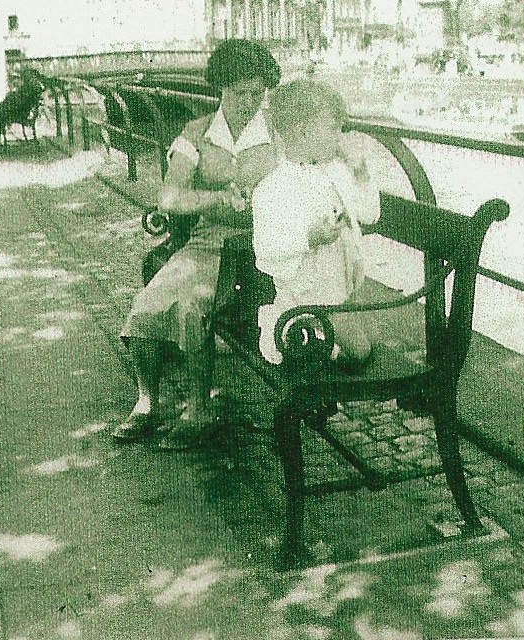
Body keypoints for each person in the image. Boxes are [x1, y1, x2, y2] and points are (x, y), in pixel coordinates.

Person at [114, 39, 282, 445]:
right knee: (146, 307)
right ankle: (147, 403)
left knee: (193, 306)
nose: (249, 103)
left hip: (265, 246)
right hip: (208, 243)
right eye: (240, 93)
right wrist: (216, 199)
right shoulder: (197, 133)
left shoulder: (279, 134)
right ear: (221, 88)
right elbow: (170, 197)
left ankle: (199, 411)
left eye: (257, 93)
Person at [251, 79, 381, 369]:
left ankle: (328, 345)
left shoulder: (337, 172)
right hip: (305, 297)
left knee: (368, 342)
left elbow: (370, 214)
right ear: (304, 132)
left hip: (344, 287)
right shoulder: (272, 188)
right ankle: (315, 339)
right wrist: (309, 237)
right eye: (333, 129)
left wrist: (360, 173)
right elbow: (265, 249)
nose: (340, 137)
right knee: (361, 351)